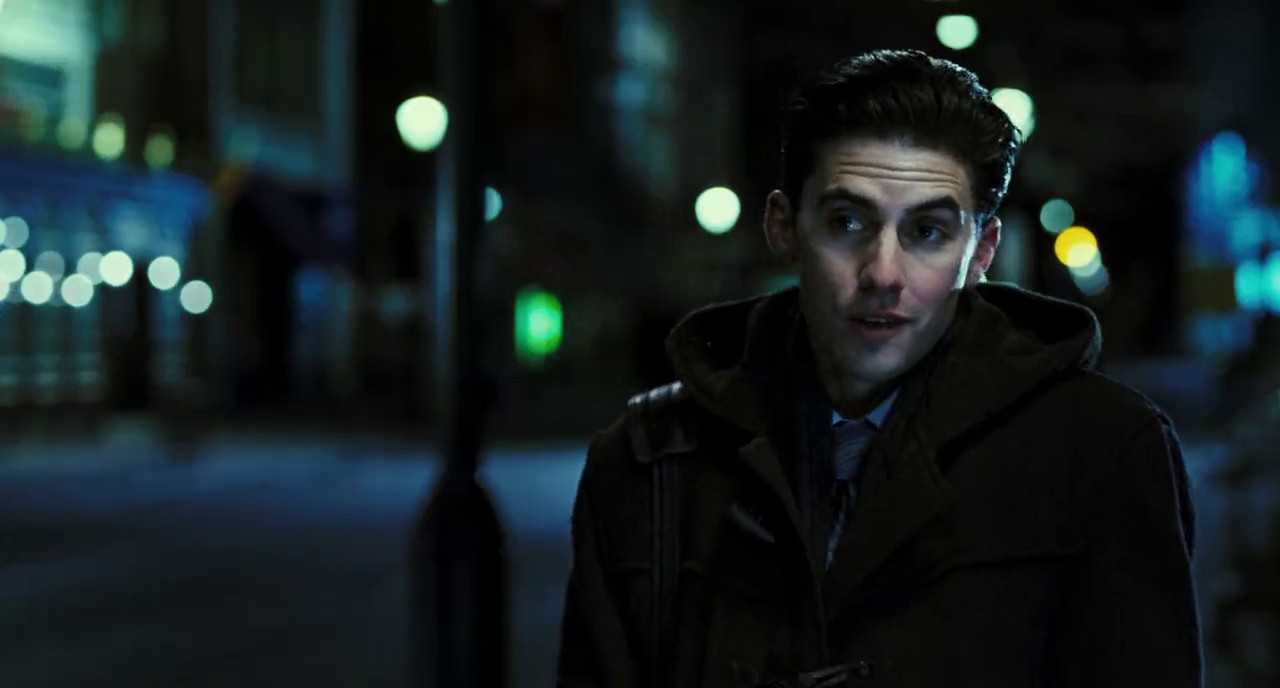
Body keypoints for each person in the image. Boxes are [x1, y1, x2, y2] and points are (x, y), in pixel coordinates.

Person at [556, 49, 1201, 687]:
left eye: (928, 232)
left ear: (981, 252)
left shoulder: (1101, 450)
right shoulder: (651, 461)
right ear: (784, 226)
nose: (883, 274)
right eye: (848, 222)